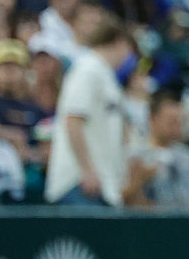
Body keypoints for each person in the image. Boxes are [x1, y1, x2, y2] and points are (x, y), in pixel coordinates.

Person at [45, 15, 135, 205]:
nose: (128, 56)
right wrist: (86, 169)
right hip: (79, 184)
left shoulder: (105, 76)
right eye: (129, 48)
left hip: (102, 184)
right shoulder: (87, 70)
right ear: (118, 42)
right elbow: (73, 119)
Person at [123, 88, 189, 209]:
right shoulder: (135, 156)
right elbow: (124, 204)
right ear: (152, 119)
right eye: (171, 121)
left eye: (179, 121)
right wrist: (139, 180)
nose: (176, 126)